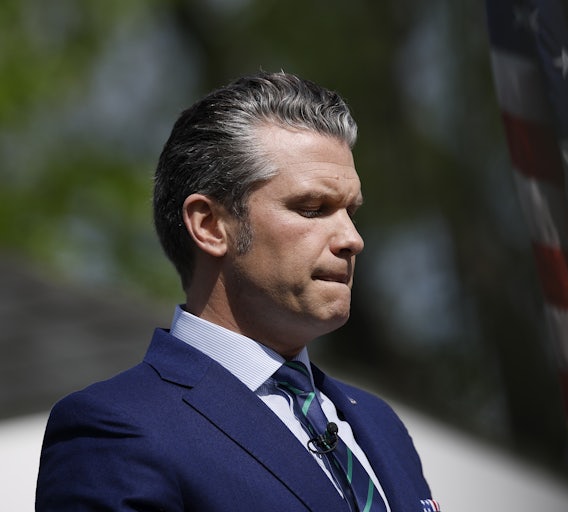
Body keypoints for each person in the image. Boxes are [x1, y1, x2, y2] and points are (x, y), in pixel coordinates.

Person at [36, 72, 438, 512]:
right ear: (210, 226)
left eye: (350, 211)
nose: (351, 238)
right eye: (312, 208)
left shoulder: (379, 424)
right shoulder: (118, 428)